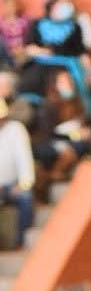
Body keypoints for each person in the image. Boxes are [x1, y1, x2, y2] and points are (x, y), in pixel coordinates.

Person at [0, 99, 35, 249]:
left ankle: (21, 242)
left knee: (26, 197)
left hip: (12, 185)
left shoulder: (16, 130)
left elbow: (25, 159)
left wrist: (23, 184)